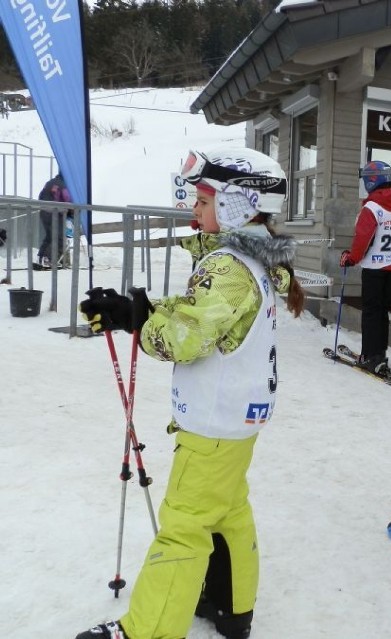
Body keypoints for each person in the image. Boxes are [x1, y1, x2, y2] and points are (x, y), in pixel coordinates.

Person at [76, 146, 302, 639]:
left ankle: (147, 631)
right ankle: (230, 605)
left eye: (203, 199)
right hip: (237, 416)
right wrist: (135, 310)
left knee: (184, 522)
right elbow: (200, 314)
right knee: (227, 509)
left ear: (239, 205)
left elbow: (186, 337)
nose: (193, 209)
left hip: (214, 419)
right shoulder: (246, 259)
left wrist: (137, 321)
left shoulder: (229, 267)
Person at [339, 160, 391, 375]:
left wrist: (351, 258)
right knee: (382, 312)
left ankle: (370, 356)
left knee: (371, 312)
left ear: (372, 180)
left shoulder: (371, 207)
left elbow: (363, 239)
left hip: (374, 268)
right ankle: (380, 354)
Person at [35, 172, 72, 269]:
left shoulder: (49, 183)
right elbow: (68, 199)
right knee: (58, 237)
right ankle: (49, 260)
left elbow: (40, 196)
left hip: (44, 212)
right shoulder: (63, 185)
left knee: (49, 237)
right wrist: (73, 209)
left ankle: (40, 258)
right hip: (55, 213)